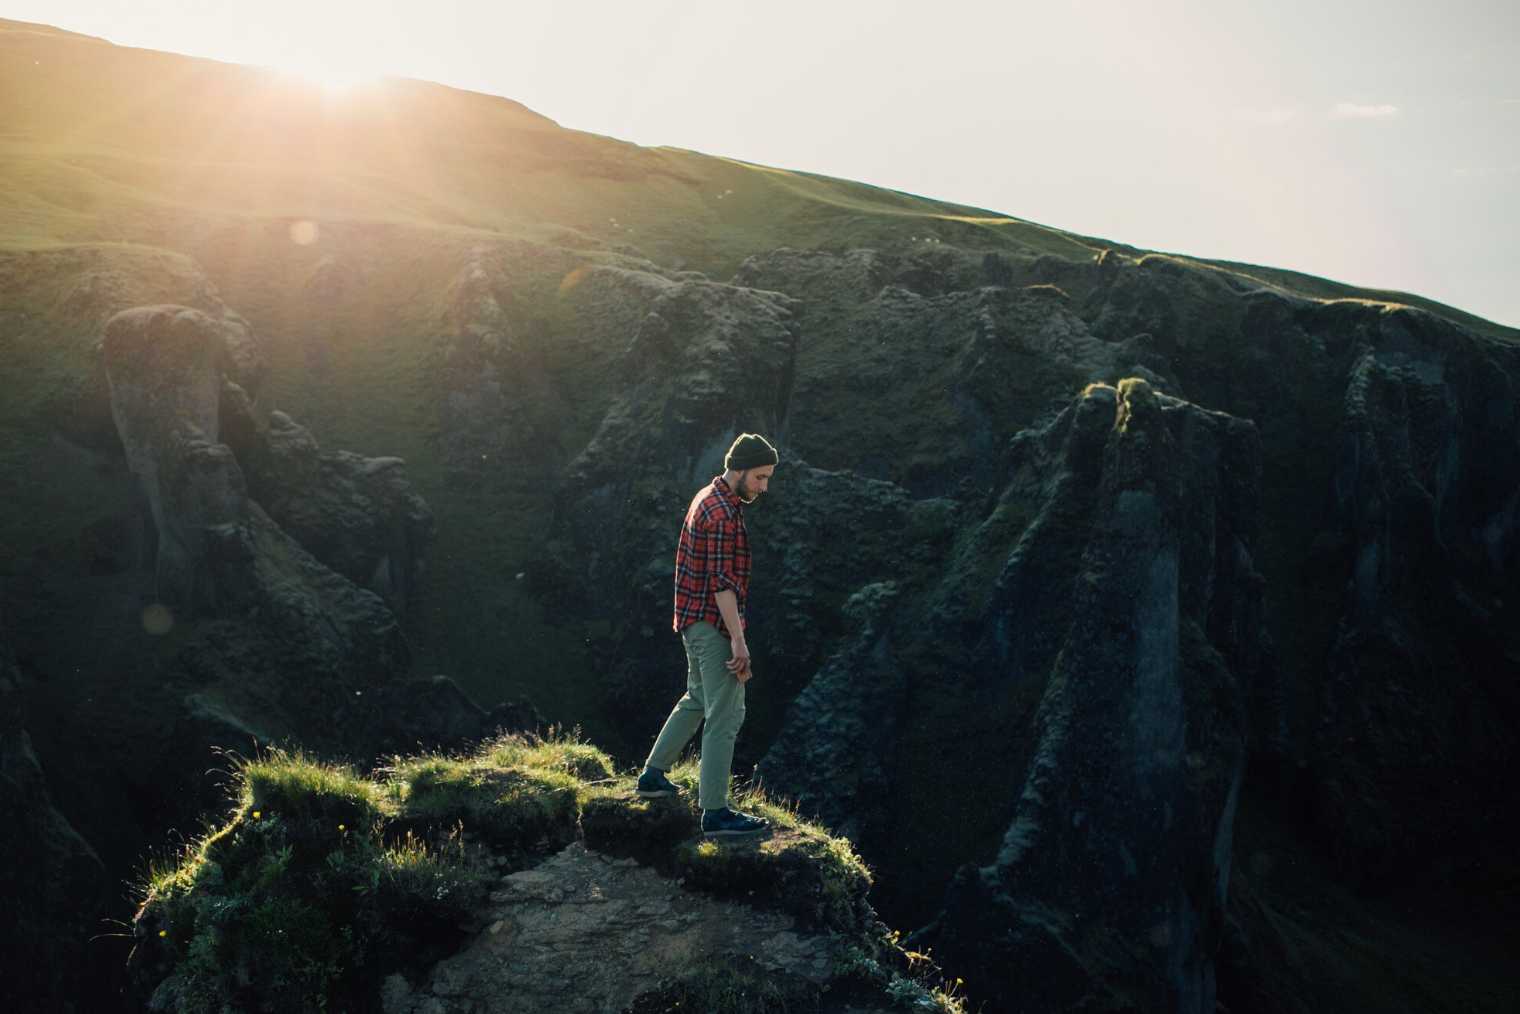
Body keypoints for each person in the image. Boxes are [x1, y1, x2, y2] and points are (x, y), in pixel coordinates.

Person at [636, 433, 778, 838]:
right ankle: (715, 812)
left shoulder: (710, 496)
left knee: (698, 698)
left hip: (692, 620)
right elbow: (722, 584)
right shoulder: (720, 514)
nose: (764, 487)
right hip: (713, 624)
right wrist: (738, 640)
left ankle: (652, 777)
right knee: (727, 715)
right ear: (738, 470)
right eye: (760, 477)